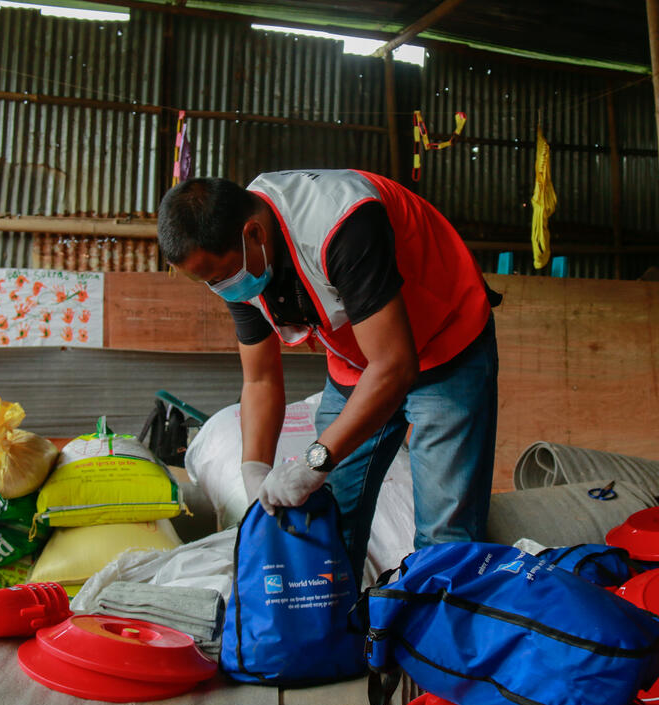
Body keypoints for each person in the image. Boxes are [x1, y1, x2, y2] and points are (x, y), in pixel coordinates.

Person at [157, 168, 499, 584]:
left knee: (445, 533)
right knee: (330, 518)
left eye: (219, 276)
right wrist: (254, 471)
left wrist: (314, 460)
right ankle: (338, 637)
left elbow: (394, 366)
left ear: (254, 235)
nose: (220, 287)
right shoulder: (239, 265)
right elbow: (261, 379)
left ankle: (435, 643)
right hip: (358, 361)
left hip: (446, 341)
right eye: (209, 282)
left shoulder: (342, 222)